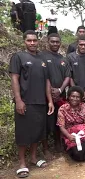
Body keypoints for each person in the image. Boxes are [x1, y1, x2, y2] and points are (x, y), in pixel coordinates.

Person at [9, 30, 54, 178]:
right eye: (29, 40)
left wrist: (50, 101)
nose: (32, 43)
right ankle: (22, 163)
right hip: (25, 101)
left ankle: (34, 158)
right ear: (24, 42)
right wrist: (19, 100)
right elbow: (15, 79)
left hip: (40, 101)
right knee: (23, 133)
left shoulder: (42, 59)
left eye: (35, 40)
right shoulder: (18, 57)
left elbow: (47, 81)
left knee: (37, 132)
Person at [39, 33, 71, 156]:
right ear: (48, 42)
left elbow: (68, 76)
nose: (55, 44)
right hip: (44, 96)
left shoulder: (64, 59)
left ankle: (59, 143)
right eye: (52, 42)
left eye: (57, 42)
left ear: (60, 43)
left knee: (59, 121)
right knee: (45, 122)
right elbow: (40, 75)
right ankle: (45, 148)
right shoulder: (41, 56)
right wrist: (50, 90)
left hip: (60, 96)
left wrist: (59, 90)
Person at [57, 86, 85, 161]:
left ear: (81, 98)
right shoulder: (62, 109)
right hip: (69, 134)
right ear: (69, 97)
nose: (75, 99)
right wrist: (69, 136)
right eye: (73, 96)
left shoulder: (84, 106)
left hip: (83, 132)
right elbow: (61, 126)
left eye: (77, 97)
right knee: (77, 155)